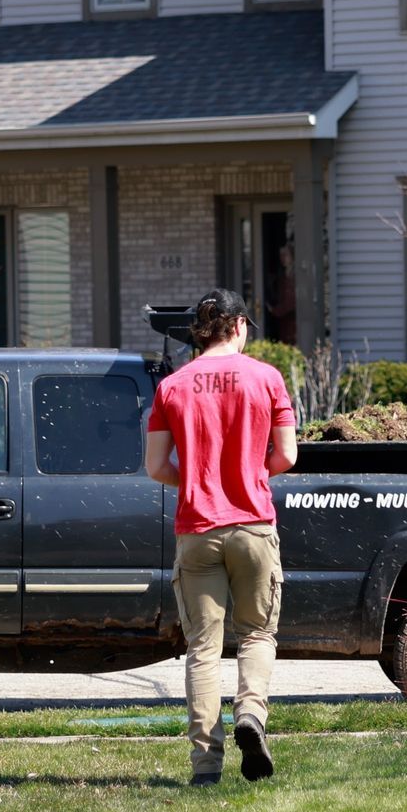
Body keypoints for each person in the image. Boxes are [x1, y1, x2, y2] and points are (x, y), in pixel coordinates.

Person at [143, 289, 298, 785]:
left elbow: (155, 467)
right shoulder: (267, 379)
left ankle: (206, 765)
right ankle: (250, 714)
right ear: (238, 326)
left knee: (202, 649)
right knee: (256, 633)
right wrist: (251, 473)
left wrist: (196, 479)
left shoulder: (172, 386)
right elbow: (288, 456)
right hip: (253, 525)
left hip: (198, 529)